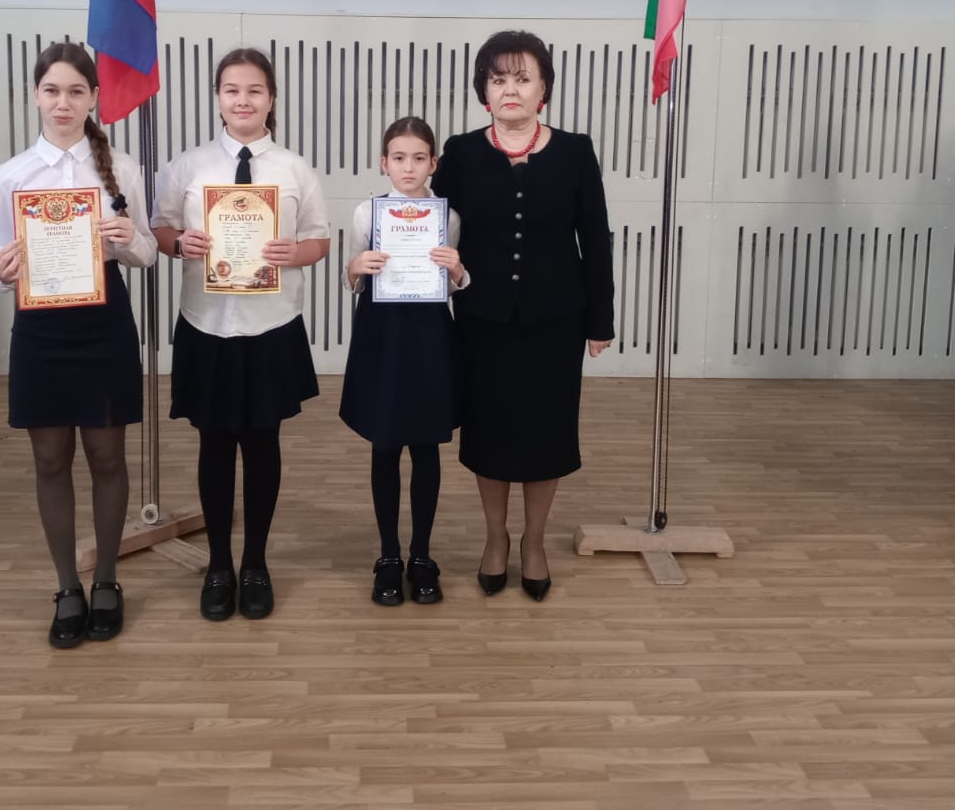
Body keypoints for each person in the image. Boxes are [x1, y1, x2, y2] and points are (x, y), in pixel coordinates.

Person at [0, 43, 157, 647]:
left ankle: (106, 578)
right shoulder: (11, 175)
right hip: (40, 328)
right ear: (35, 95)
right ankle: (66, 586)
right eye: (52, 90)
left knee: (107, 458)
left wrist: (127, 237)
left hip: (104, 321)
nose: (63, 103)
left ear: (94, 98)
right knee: (50, 460)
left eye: (76, 91)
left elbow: (146, 252)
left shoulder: (122, 168)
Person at [431, 30, 613, 601]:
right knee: (488, 431)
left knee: (546, 432)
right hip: (482, 318)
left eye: (522, 78)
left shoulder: (575, 151)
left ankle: (534, 541)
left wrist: (601, 320)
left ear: (543, 89)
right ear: (484, 91)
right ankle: (495, 538)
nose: (510, 89)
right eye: (498, 79)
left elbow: (595, 239)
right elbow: (432, 225)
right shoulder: (461, 152)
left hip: (557, 318)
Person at [151, 48, 330, 622]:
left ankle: (255, 563)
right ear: (218, 97)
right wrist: (180, 244)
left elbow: (320, 241)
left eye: (255, 90)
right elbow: (159, 230)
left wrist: (294, 252)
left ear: (271, 99)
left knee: (262, 442)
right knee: (214, 443)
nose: (243, 100)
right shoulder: (188, 166)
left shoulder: (295, 169)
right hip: (207, 323)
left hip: (271, 324)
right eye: (232, 90)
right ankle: (218, 565)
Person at [340, 116, 468, 607]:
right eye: (399, 157)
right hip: (383, 334)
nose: (408, 167)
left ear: (433, 163)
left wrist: (458, 271)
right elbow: (352, 278)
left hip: (429, 335)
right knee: (385, 444)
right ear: (384, 163)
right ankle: (389, 555)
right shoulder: (366, 213)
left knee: (427, 446)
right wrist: (356, 267)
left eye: (418, 158)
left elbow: (455, 284)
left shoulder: (448, 217)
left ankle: (422, 555)